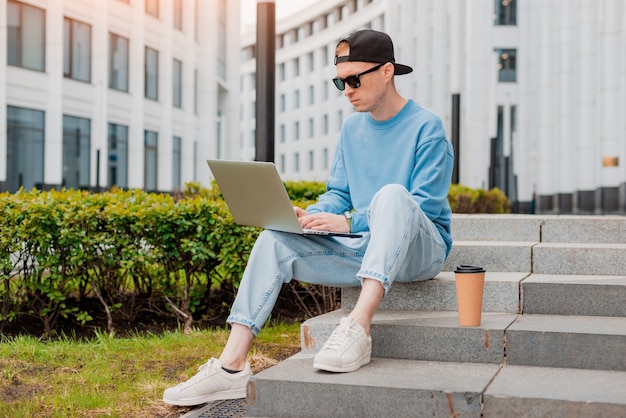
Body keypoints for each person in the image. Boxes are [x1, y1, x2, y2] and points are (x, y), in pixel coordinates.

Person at [163, 28, 454, 407]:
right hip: (367, 249)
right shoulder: (351, 128)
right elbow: (338, 194)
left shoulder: (427, 127)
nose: (347, 90)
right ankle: (231, 366)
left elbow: (424, 206)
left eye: (354, 79)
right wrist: (312, 216)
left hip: (421, 251)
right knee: (274, 240)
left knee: (392, 195)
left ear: (387, 72)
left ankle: (357, 327)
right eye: (340, 81)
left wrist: (349, 224)